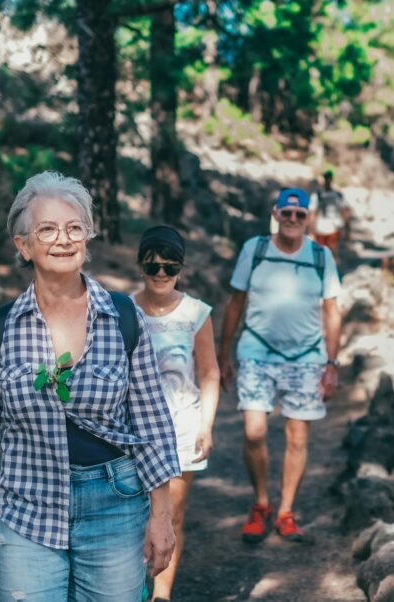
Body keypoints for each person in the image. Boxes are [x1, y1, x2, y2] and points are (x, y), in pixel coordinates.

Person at [0, 171, 180, 602]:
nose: (63, 239)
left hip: (115, 503)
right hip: (26, 506)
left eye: (75, 227)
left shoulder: (125, 317)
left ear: (87, 238)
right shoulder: (0, 329)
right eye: (48, 229)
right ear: (24, 245)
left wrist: (162, 516)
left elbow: (152, 424)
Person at [218, 187, 343, 544]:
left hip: (306, 357)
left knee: (297, 436)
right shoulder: (255, 249)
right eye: (285, 213)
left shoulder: (321, 256)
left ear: (308, 219)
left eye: (299, 215)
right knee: (254, 431)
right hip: (257, 351)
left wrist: (332, 364)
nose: (291, 220)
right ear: (275, 214)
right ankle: (261, 502)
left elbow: (333, 313)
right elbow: (235, 302)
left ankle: (286, 510)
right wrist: (224, 354)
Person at [133, 225, 219, 602]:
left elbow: (210, 371)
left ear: (182, 268)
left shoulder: (196, 313)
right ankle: (130, 587)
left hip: (182, 426)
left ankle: (161, 594)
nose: (163, 274)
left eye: (171, 267)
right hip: (132, 428)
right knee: (133, 516)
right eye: (154, 267)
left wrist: (207, 424)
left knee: (173, 516)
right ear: (142, 267)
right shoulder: (123, 309)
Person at [309, 169, 350, 256]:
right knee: (327, 252)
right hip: (323, 228)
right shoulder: (320, 195)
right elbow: (345, 212)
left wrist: (311, 230)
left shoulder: (319, 195)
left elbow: (313, 213)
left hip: (330, 227)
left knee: (326, 252)